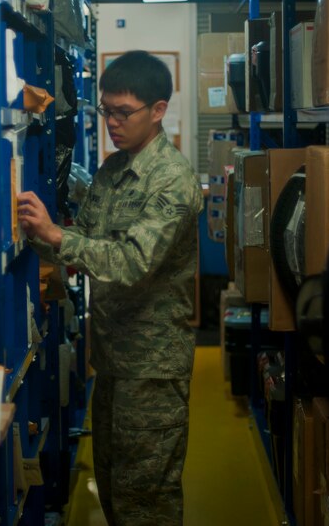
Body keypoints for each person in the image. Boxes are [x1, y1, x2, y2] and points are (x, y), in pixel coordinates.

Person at [18, 50, 202, 525]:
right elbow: (86, 246)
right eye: (106, 111)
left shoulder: (173, 182)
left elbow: (131, 262)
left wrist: (58, 236)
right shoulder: (112, 171)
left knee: (147, 498)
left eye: (124, 113)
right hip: (113, 360)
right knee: (116, 488)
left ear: (157, 110)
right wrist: (35, 235)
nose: (112, 124)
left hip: (152, 369)